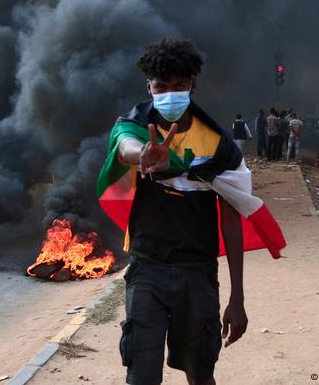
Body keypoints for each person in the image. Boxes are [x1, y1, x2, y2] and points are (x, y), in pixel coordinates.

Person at [106, 38, 248, 385]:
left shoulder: (218, 145)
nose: (169, 93)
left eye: (178, 86)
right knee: (141, 374)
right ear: (149, 88)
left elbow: (231, 219)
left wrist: (237, 298)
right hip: (147, 270)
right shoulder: (136, 125)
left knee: (200, 374)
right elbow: (125, 146)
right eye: (161, 86)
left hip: (197, 273)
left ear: (192, 85)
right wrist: (144, 155)